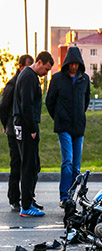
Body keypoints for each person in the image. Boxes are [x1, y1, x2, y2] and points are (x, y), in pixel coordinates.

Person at [46, 46, 90, 208]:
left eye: (76, 64)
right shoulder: (57, 79)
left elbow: (86, 101)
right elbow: (49, 102)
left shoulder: (84, 79)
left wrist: (79, 115)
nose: (73, 66)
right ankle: (64, 196)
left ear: (80, 64)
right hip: (63, 126)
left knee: (76, 165)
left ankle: (72, 196)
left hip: (78, 127)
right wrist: (59, 118)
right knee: (68, 162)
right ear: (66, 64)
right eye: (71, 63)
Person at [13, 51, 54, 217]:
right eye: (46, 69)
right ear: (38, 62)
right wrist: (31, 129)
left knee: (34, 164)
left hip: (23, 124)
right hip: (26, 125)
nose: (46, 73)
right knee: (29, 166)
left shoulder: (28, 76)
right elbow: (27, 105)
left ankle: (29, 200)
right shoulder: (29, 77)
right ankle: (26, 206)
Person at [0, 54, 34, 211]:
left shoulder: (27, 83)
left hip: (24, 129)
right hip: (13, 131)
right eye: (27, 66)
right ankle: (14, 199)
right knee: (16, 164)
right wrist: (5, 125)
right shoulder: (12, 85)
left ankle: (29, 198)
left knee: (30, 165)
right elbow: (3, 106)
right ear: (20, 66)